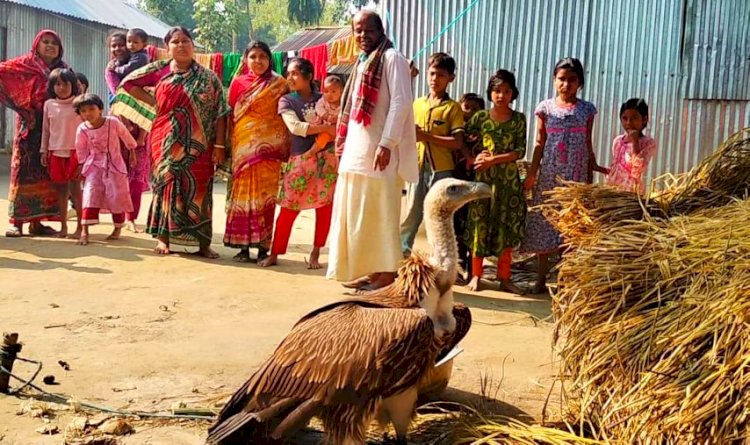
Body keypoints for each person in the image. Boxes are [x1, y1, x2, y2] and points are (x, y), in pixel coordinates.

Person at [326, 10, 419, 291]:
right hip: (356, 153)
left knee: (380, 215)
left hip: (380, 155)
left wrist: (387, 143)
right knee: (359, 217)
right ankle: (369, 270)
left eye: (369, 30)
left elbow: (401, 103)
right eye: (358, 31)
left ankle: (386, 274)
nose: (363, 36)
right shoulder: (361, 63)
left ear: (381, 31)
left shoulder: (392, 59)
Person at [117, 26, 229, 258]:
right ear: (167, 47)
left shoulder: (209, 77)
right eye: (175, 42)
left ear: (193, 45)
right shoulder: (159, 71)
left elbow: (221, 113)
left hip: (201, 145)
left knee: (199, 190)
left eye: (185, 41)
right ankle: (163, 239)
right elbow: (128, 84)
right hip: (164, 141)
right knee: (166, 186)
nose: (181, 45)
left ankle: (203, 244)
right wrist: (154, 101)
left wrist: (219, 147)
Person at [521, 58, 606, 293]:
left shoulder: (587, 109)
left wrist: (591, 169)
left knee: (571, 225)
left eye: (571, 80)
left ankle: (563, 281)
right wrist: (533, 173)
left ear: (579, 82)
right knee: (545, 221)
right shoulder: (545, 108)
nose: (566, 84)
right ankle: (539, 279)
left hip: (576, 175)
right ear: (554, 80)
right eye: (561, 79)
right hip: (550, 174)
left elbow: (587, 141)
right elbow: (539, 142)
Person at [259, 58, 338, 269]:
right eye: (289, 73)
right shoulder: (287, 101)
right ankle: (275, 252)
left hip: (328, 159)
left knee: (324, 208)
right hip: (301, 159)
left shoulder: (327, 96)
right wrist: (326, 129)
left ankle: (315, 254)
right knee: (288, 208)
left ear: (309, 76)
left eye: (295, 73)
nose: (290, 78)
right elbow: (294, 127)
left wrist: (330, 131)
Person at [223, 41, 290, 263]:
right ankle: (242, 246)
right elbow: (232, 113)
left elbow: (286, 113)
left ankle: (263, 247)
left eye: (263, 56)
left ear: (270, 59)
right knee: (242, 194)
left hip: (269, 150)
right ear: (245, 60)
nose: (258, 61)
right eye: (253, 56)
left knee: (265, 198)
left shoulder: (279, 83)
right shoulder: (238, 82)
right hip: (243, 146)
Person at [0, 30, 70, 237]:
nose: (50, 46)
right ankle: (17, 223)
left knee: (47, 175)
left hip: (55, 129)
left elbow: (76, 91)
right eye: (45, 42)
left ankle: (37, 224)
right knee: (23, 172)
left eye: (54, 43)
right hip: (30, 128)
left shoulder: (64, 70)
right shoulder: (24, 65)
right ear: (36, 45)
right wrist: (20, 105)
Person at [464, 70, 527, 294]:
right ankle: (476, 276)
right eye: (497, 90)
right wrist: (474, 156)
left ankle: (505, 277)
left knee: (505, 227)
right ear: (490, 93)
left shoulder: (519, 119)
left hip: (508, 182)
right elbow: (464, 138)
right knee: (480, 224)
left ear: (513, 93)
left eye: (506, 91)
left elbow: (520, 151)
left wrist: (495, 160)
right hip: (484, 180)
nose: (501, 95)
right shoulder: (480, 118)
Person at [399, 52, 464, 256]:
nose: (435, 79)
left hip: (442, 170)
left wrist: (426, 136)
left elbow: (457, 142)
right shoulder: (417, 104)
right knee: (411, 213)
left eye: (441, 75)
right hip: (416, 166)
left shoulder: (452, 108)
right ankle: (402, 255)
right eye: (432, 73)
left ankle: (442, 259)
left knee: (439, 216)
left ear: (451, 78)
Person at [73, 93, 137, 246]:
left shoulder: (113, 122)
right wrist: (81, 166)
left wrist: (132, 153)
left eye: (91, 109)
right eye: (83, 111)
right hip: (94, 166)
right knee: (90, 194)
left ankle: (117, 229)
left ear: (100, 109)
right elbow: (80, 149)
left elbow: (126, 137)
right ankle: (85, 231)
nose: (88, 114)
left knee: (117, 196)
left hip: (115, 165)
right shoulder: (82, 129)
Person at [40, 68, 82, 238]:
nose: (62, 87)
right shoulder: (48, 104)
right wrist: (44, 150)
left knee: (77, 191)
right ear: (52, 86)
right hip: (55, 153)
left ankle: (81, 228)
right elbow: (46, 130)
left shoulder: (80, 104)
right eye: (57, 84)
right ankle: (63, 228)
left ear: (73, 85)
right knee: (61, 192)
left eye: (66, 84)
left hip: (76, 153)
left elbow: (88, 129)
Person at [454, 93, 485, 280]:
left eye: (476, 109)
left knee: (472, 224)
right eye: (467, 107)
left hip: (475, 182)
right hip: (458, 180)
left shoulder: (483, 132)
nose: (471, 112)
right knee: (457, 222)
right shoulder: (457, 131)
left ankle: (473, 267)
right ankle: (458, 264)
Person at [605, 98, 657, 193]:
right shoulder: (617, 141)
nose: (629, 122)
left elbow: (637, 169)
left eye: (634, 118)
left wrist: (635, 141)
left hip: (631, 193)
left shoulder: (648, 143)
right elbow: (616, 168)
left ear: (644, 119)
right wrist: (598, 168)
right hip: (613, 191)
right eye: (625, 118)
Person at [310, 74, 343, 149]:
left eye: (333, 91)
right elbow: (318, 107)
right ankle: (313, 151)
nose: (329, 94)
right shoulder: (323, 101)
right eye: (326, 91)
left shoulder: (343, 103)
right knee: (322, 138)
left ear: (341, 92)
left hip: (339, 128)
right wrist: (326, 116)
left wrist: (338, 118)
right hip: (326, 128)